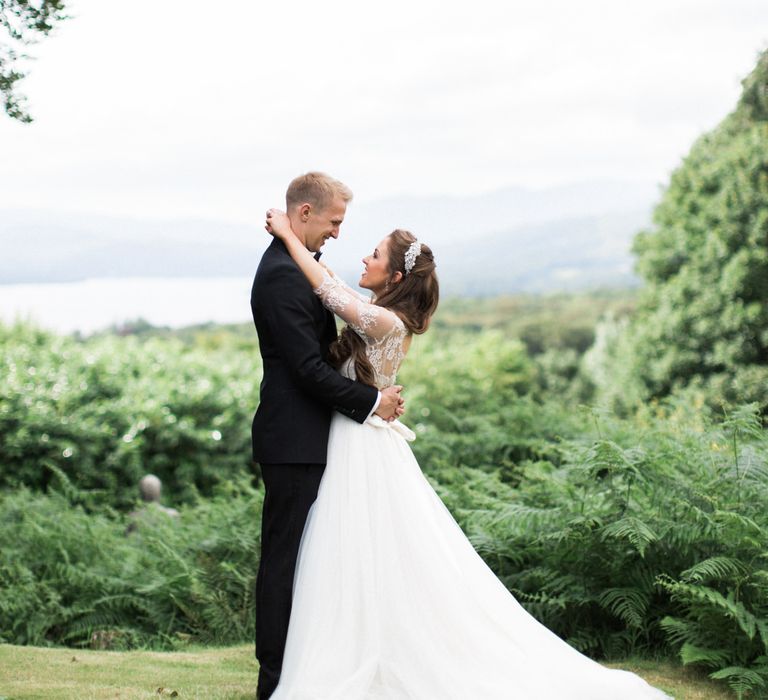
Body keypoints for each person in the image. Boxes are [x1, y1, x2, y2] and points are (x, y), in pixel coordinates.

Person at [261, 208, 673, 700]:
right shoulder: (381, 314)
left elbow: (327, 290)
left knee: (361, 548)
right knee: (351, 552)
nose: (363, 257)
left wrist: (289, 235)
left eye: (374, 254)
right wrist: (299, 246)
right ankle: (350, 644)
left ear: (394, 277)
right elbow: (331, 282)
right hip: (353, 437)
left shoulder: (387, 322)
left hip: (362, 448)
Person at [250, 172, 406, 700]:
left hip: (320, 439)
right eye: (335, 222)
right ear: (305, 214)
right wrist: (373, 403)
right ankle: (274, 682)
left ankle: (313, 671)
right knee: (284, 564)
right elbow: (306, 370)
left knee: (317, 564)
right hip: (292, 442)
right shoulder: (279, 277)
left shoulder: (303, 269)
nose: (339, 234)